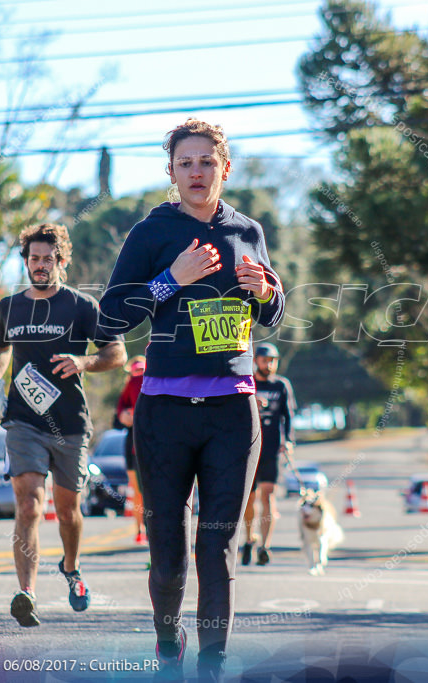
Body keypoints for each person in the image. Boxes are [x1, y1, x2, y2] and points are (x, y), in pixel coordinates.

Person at [100, 119, 286, 682]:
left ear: (224, 168)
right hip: (164, 414)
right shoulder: (151, 232)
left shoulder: (248, 231)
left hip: (233, 410)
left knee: (218, 546)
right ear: (172, 173)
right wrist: (169, 280)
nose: (197, 172)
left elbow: (271, 316)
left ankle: (212, 665)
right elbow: (110, 317)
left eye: (207, 161)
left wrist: (268, 292)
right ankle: (166, 644)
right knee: (170, 551)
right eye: (186, 163)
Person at [0, 223, 126, 627]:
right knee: (28, 504)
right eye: (33, 259)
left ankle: (71, 567)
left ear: (61, 261)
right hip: (23, 421)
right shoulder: (9, 306)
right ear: (25, 261)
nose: (39, 266)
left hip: (70, 424)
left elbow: (116, 353)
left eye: (47, 259)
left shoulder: (80, 306)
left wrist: (83, 362)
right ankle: (26, 593)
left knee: (68, 511)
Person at [241, 342, 295, 567]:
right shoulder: (247, 383)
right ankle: (248, 539)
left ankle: (265, 545)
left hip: (272, 448)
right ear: (256, 362)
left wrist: (289, 441)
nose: (269, 364)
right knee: (250, 497)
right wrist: (253, 402)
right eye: (265, 360)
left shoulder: (282, 385)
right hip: (249, 446)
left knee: (268, 496)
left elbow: (288, 415)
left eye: (273, 360)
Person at [116, 355, 147, 545]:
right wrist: (125, 416)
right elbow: (118, 417)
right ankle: (139, 528)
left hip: (150, 442)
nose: (138, 376)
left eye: (141, 371)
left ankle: (148, 526)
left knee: (147, 489)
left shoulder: (152, 384)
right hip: (132, 444)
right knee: (136, 490)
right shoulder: (128, 389)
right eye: (135, 372)